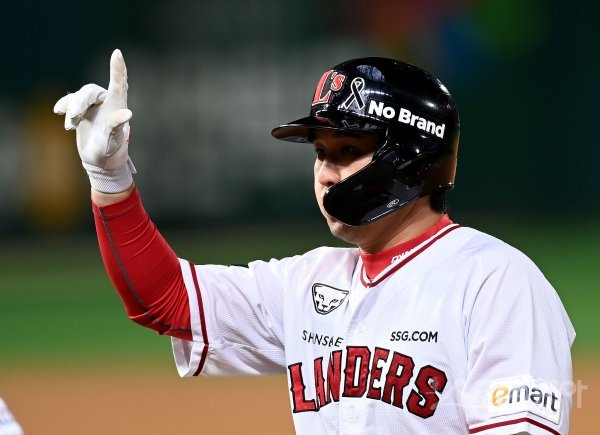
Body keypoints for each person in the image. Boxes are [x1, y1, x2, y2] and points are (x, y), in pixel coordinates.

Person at [54, 49, 575, 434]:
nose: (326, 173)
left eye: (346, 150)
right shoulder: (306, 282)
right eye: (320, 153)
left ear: (410, 158)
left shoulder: (496, 282)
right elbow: (165, 300)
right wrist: (110, 179)